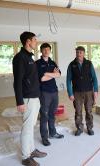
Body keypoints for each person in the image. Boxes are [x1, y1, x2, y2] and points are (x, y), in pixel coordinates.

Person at [13, 31, 47, 166]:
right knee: (27, 128)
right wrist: (19, 101)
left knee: (31, 127)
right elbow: (17, 81)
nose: (36, 42)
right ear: (28, 41)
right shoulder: (20, 58)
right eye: (34, 40)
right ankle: (26, 157)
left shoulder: (29, 57)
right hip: (27, 99)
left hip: (34, 97)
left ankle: (31, 150)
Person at [36, 43, 64, 146]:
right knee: (44, 115)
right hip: (44, 92)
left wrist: (47, 74)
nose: (46, 51)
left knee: (52, 114)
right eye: (44, 49)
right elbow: (41, 79)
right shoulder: (37, 64)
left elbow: (59, 74)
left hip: (54, 91)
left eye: (48, 49)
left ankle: (52, 132)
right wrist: (53, 74)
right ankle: (44, 137)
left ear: (50, 51)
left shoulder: (52, 62)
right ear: (41, 51)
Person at [66, 46, 98, 136]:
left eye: (80, 52)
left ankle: (89, 127)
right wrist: (70, 93)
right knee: (78, 111)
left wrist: (95, 90)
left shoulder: (89, 64)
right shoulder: (71, 65)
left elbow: (94, 78)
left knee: (89, 111)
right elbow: (68, 80)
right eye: (77, 52)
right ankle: (79, 128)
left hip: (88, 91)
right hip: (77, 92)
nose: (79, 54)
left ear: (84, 53)